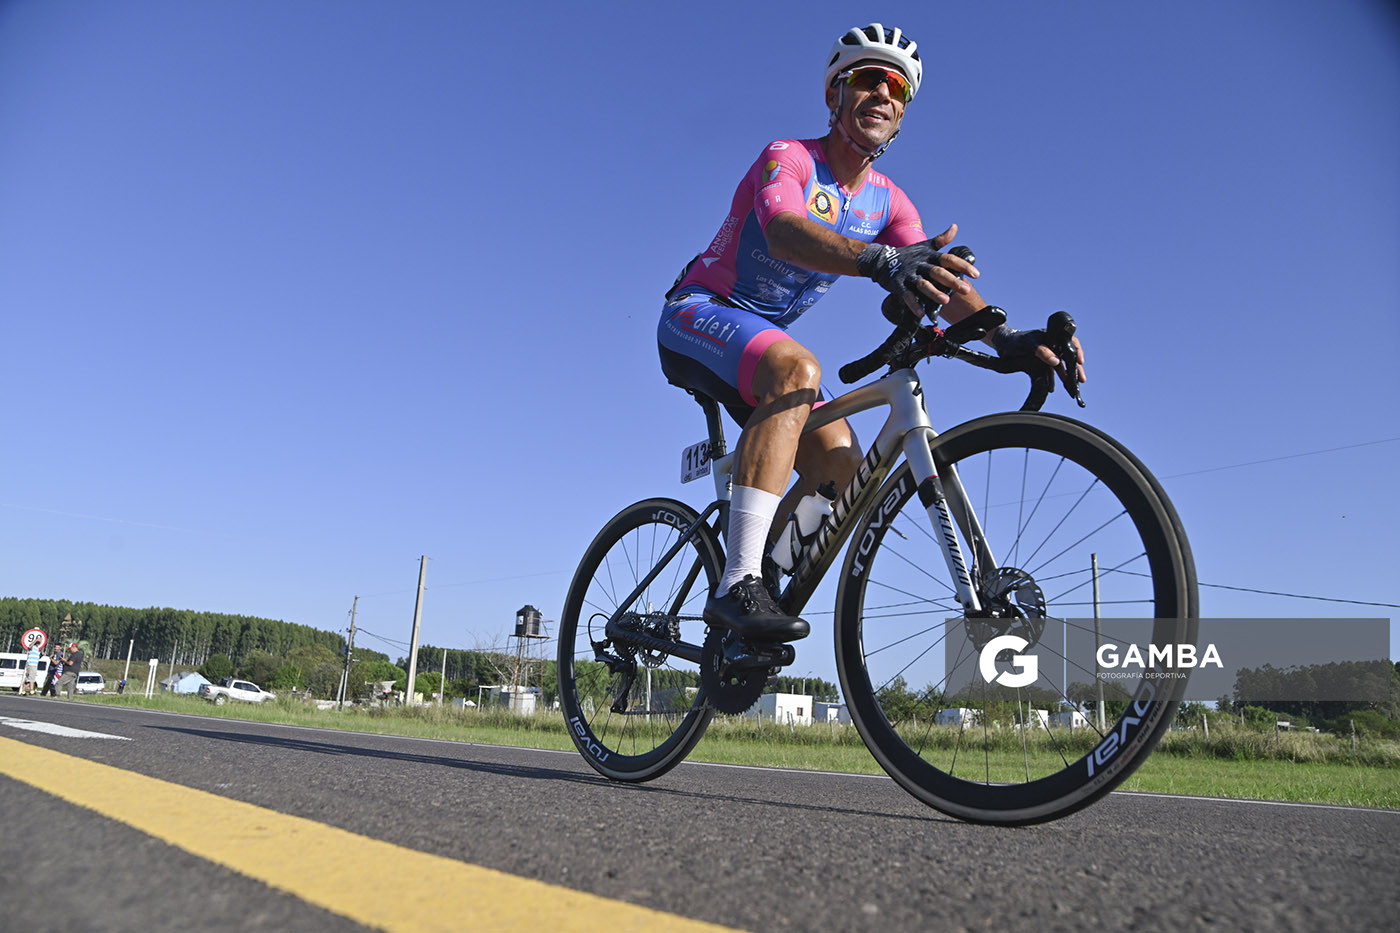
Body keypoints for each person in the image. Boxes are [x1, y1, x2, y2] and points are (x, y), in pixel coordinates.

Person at [658, 23, 1085, 640]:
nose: (883, 94)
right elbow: (782, 228)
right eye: (867, 79)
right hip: (698, 311)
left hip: (762, 341)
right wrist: (882, 261)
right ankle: (737, 583)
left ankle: (752, 604)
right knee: (797, 368)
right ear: (835, 95)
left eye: (898, 88)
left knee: (842, 461)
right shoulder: (790, 156)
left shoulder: (891, 203)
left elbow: (940, 281)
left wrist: (1007, 337)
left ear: (903, 114)